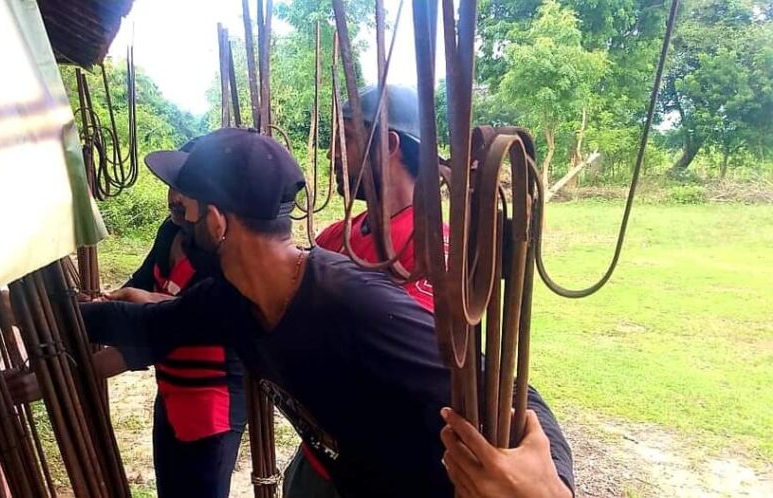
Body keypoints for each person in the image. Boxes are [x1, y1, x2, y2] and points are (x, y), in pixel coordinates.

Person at [78, 127, 575, 498]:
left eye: (184, 211)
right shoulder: (231, 301)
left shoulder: (351, 304)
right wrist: (63, 313)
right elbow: (147, 324)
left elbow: (509, 390)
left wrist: (550, 485)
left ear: (215, 221)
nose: (180, 226)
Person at [283, 84, 453, 497]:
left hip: (382, 477)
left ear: (389, 145)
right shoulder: (334, 236)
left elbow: (399, 365)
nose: (331, 155)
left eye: (345, 138)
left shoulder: (435, 249)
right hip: (316, 458)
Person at [106, 137, 245, 498]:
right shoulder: (168, 233)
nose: (176, 198)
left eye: (187, 189)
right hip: (170, 395)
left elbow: (167, 328)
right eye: (173, 186)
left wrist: (58, 374)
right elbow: (133, 290)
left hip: (212, 408)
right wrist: (94, 306)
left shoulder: (223, 254)